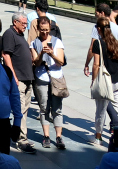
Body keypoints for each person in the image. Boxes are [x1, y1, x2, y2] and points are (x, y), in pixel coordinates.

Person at [1, 12, 37, 154]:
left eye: (26, 23)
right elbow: (6, 55)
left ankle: (21, 135)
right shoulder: (10, 34)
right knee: (20, 110)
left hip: (27, 78)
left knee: (24, 109)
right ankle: (21, 140)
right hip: (19, 79)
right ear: (15, 22)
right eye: (23, 23)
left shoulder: (20, 35)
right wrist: (13, 76)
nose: (25, 26)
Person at [29, 16, 66, 149]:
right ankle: (46, 137)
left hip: (56, 78)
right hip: (42, 78)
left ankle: (59, 137)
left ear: (50, 28)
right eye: (42, 30)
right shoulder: (34, 43)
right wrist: (41, 54)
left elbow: (61, 62)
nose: (45, 32)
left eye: (47, 30)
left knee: (57, 109)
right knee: (44, 108)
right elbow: (36, 62)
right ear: (38, 29)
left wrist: (52, 54)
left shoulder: (57, 42)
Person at [91, 18, 118, 147]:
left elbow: (96, 65)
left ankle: (98, 137)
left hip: (106, 82)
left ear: (99, 29)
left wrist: (93, 81)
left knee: (100, 111)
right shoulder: (115, 42)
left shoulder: (98, 43)